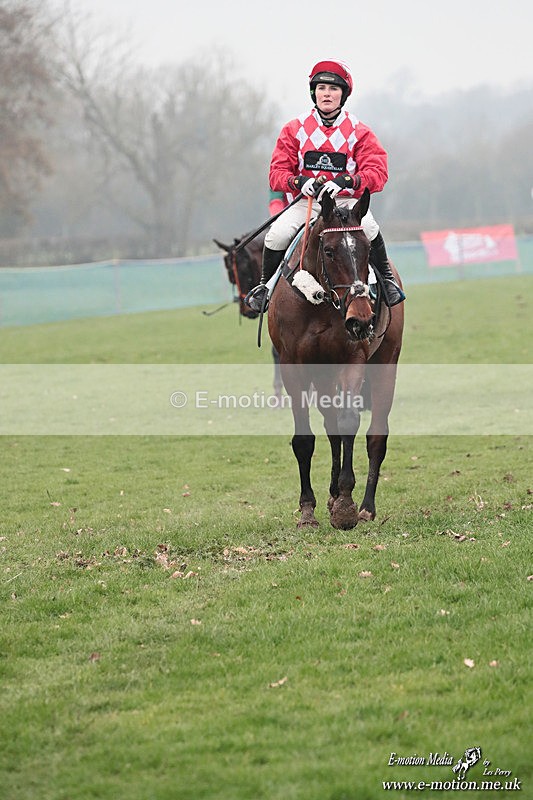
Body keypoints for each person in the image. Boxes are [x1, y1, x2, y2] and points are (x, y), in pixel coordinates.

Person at [245, 59, 405, 312]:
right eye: (321, 88)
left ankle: (386, 280)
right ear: (314, 93)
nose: (326, 94)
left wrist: (346, 182)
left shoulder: (360, 131)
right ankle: (265, 286)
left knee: (371, 227)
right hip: (306, 202)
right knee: (276, 235)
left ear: (343, 95)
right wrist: (299, 181)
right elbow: (277, 172)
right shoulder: (293, 129)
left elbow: (377, 172)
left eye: (333, 89)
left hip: (346, 203)